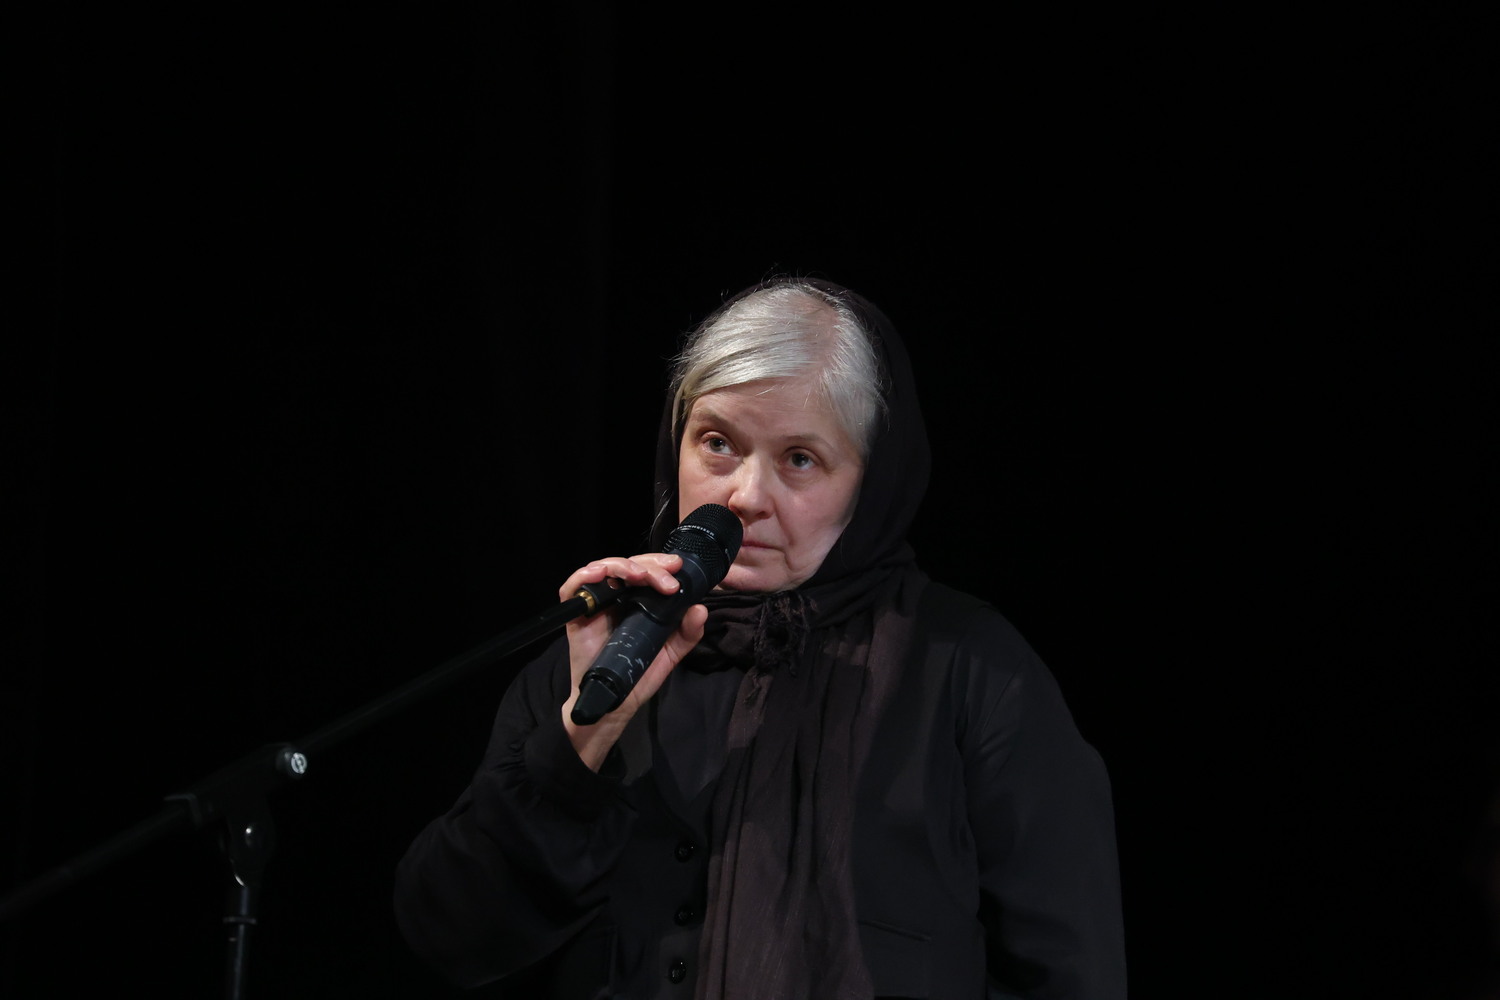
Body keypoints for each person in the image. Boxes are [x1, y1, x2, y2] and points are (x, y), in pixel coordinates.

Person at [393, 277, 1127, 999]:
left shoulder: (972, 671)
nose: (744, 496)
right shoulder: (602, 650)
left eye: (799, 459)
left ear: (868, 483)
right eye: (717, 443)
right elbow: (452, 939)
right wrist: (580, 745)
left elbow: (1072, 971)